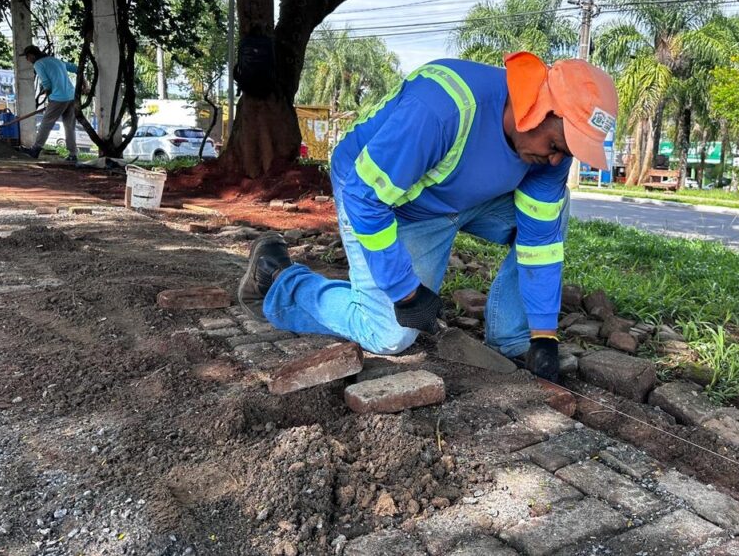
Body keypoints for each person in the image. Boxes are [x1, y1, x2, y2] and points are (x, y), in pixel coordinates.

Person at [238, 52, 618, 382]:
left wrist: (544, 336)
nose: (555, 160)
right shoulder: (440, 108)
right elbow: (364, 197)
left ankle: (511, 337)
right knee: (390, 334)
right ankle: (279, 281)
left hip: (462, 201)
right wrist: (405, 291)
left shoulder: (551, 155)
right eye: (554, 145)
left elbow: (541, 242)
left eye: (564, 153)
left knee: (557, 207)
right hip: (384, 198)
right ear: (535, 109)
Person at [18, 45, 79, 162]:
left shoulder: (38, 64)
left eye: (27, 57)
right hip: (71, 96)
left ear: (31, 55)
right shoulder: (55, 60)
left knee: (46, 123)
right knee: (69, 126)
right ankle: (73, 154)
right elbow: (74, 68)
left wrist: (49, 95)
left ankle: (35, 149)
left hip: (58, 98)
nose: (27, 60)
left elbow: (47, 83)